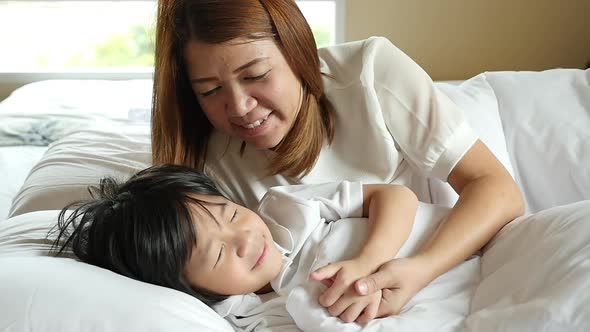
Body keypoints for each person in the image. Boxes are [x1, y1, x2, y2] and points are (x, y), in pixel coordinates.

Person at [151, 0, 524, 323]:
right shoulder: (207, 163)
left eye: (255, 75)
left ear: (298, 53)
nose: (240, 107)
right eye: (210, 90)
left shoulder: (370, 72)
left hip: (443, 269)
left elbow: (498, 189)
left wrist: (416, 271)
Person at [51, 163, 419, 325]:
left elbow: (397, 196)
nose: (244, 239)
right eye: (218, 253)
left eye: (229, 214)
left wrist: (369, 263)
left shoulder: (288, 208)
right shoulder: (246, 318)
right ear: (191, 288)